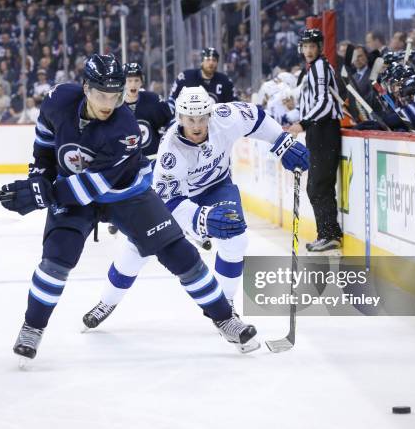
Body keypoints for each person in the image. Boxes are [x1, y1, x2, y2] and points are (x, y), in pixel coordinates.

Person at [1, 54, 259, 362]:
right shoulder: (58, 99)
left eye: (116, 95)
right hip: (73, 191)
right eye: (101, 94)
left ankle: (224, 318)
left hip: (127, 194)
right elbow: (44, 143)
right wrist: (39, 176)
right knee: (57, 258)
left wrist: (45, 194)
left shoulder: (125, 127)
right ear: (85, 88)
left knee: (182, 255)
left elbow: (94, 186)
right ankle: (32, 328)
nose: (109, 102)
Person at [82, 85, 309, 331]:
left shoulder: (225, 117)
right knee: (136, 249)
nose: (197, 125)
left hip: (217, 186)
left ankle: (226, 307)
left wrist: (282, 141)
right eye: (190, 119)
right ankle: (107, 301)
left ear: (210, 114)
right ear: (180, 117)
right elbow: (169, 202)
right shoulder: (170, 151)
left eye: (202, 118)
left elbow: (256, 117)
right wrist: (202, 218)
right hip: (177, 199)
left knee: (236, 237)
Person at [287, 29, 343, 252]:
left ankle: (329, 234)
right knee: (317, 185)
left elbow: (324, 102)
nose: (308, 50)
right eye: (305, 46)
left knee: (319, 184)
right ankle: (329, 233)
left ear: (320, 47)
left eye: (312, 46)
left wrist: (304, 123)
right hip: (317, 131)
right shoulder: (311, 69)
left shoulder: (320, 66)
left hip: (324, 130)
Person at [107, 62, 173, 236]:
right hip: (124, 161)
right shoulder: (114, 104)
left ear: (141, 82)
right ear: (123, 82)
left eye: (136, 80)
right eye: (129, 80)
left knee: (154, 192)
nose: (133, 84)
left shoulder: (152, 100)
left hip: (151, 158)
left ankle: (161, 219)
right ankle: (117, 218)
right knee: (122, 190)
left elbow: (171, 121)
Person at [168, 47, 237, 114]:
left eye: (214, 60)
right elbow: (172, 101)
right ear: (201, 62)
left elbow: (234, 105)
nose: (211, 63)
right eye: (208, 59)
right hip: (189, 120)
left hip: (217, 122)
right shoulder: (185, 77)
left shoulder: (225, 81)